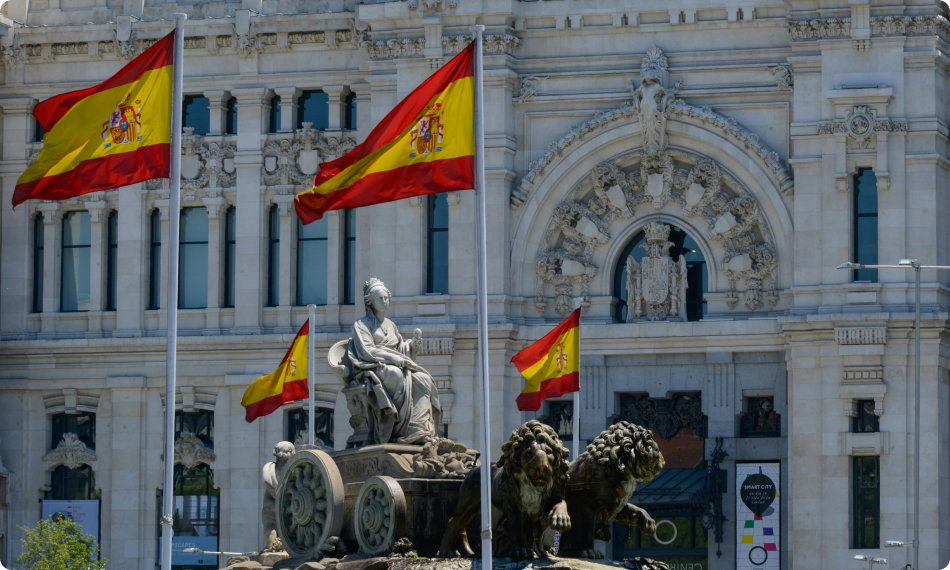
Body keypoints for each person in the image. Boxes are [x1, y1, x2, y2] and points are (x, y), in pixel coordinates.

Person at [347, 278, 442, 444]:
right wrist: (392, 357)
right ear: (370, 301)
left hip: (397, 364)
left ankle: (417, 427)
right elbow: (367, 350)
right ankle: (396, 429)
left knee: (424, 379)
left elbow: (401, 349)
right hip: (373, 366)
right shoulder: (361, 324)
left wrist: (412, 345)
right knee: (395, 374)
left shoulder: (391, 325)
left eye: (386, 298)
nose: (384, 302)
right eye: (379, 298)